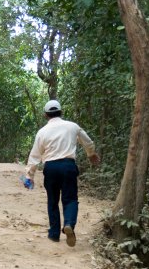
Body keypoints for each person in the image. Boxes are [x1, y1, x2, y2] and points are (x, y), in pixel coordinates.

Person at [25, 100, 100, 247]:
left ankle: (54, 234)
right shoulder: (72, 126)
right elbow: (88, 142)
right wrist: (91, 154)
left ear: (46, 115)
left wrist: (29, 176)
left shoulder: (42, 132)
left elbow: (34, 156)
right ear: (61, 112)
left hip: (51, 168)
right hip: (68, 166)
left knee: (52, 200)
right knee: (70, 199)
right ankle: (69, 224)